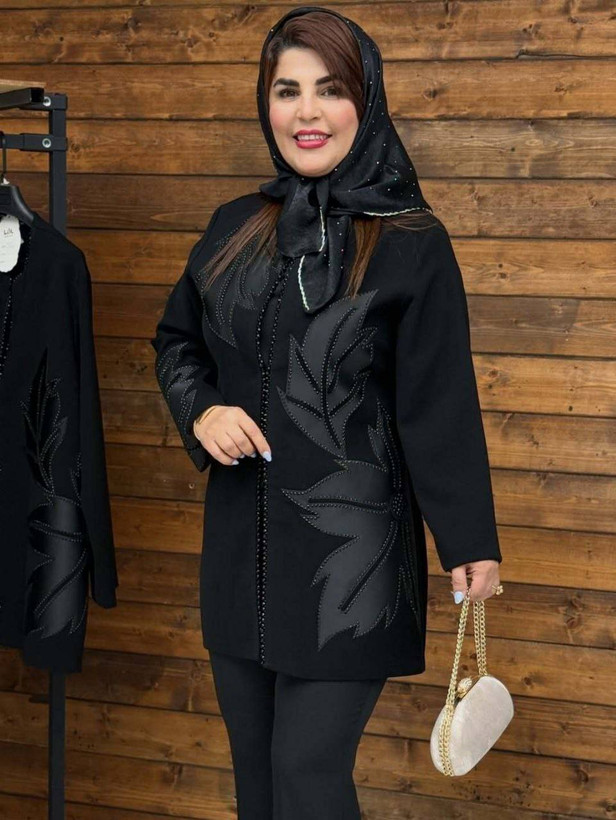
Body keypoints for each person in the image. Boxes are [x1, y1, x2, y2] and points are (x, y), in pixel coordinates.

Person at [151, 6, 503, 818]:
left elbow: (439, 402)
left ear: (365, 101)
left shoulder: (411, 241)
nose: (306, 112)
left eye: (330, 89)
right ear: (266, 103)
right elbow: (177, 341)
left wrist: (469, 541)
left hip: (354, 567)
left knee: (306, 776)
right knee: (257, 784)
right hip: (239, 558)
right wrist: (202, 412)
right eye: (287, 90)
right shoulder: (235, 227)